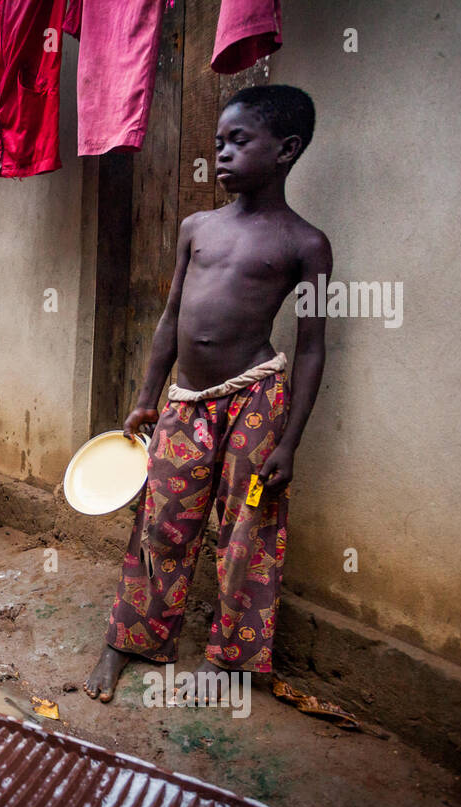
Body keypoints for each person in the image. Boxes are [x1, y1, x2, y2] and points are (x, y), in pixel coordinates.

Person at [84, 85, 332, 703]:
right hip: (184, 402)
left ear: (287, 150)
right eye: (218, 142)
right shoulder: (197, 228)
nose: (220, 154)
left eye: (238, 141)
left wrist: (291, 443)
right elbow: (170, 318)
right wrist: (147, 395)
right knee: (160, 522)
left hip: (256, 403)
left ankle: (234, 660)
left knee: (249, 527)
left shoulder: (306, 244)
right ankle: (132, 639)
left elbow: (310, 346)